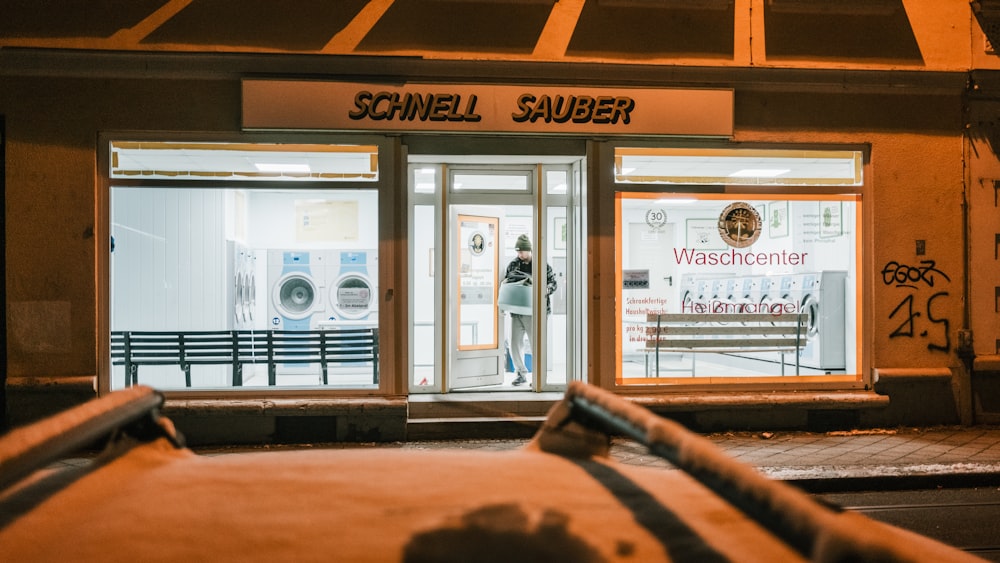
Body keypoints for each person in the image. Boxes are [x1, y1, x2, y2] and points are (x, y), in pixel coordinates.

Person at [502, 234, 557, 386]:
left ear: (529, 250)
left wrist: (545, 289)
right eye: (517, 251)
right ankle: (521, 374)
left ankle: (539, 377)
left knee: (536, 344)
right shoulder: (513, 265)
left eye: (521, 251)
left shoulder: (541, 265)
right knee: (515, 344)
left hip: (535, 313)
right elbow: (506, 283)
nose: (519, 254)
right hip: (517, 311)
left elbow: (553, 282)